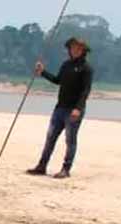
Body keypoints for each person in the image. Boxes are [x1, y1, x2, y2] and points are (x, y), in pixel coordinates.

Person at [27, 37, 94, 179]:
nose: (74, 50)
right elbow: (58, 80)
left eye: (77, 48)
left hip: (74, 110)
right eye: (71, 48)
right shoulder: (66, 65)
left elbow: (85, 91)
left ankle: (66, 169)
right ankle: (41, 166)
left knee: (70, 140)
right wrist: (43, 72)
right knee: (50, 138)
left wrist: (78, 108)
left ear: (83, 50)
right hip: (60, 108)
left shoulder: (86, 68)